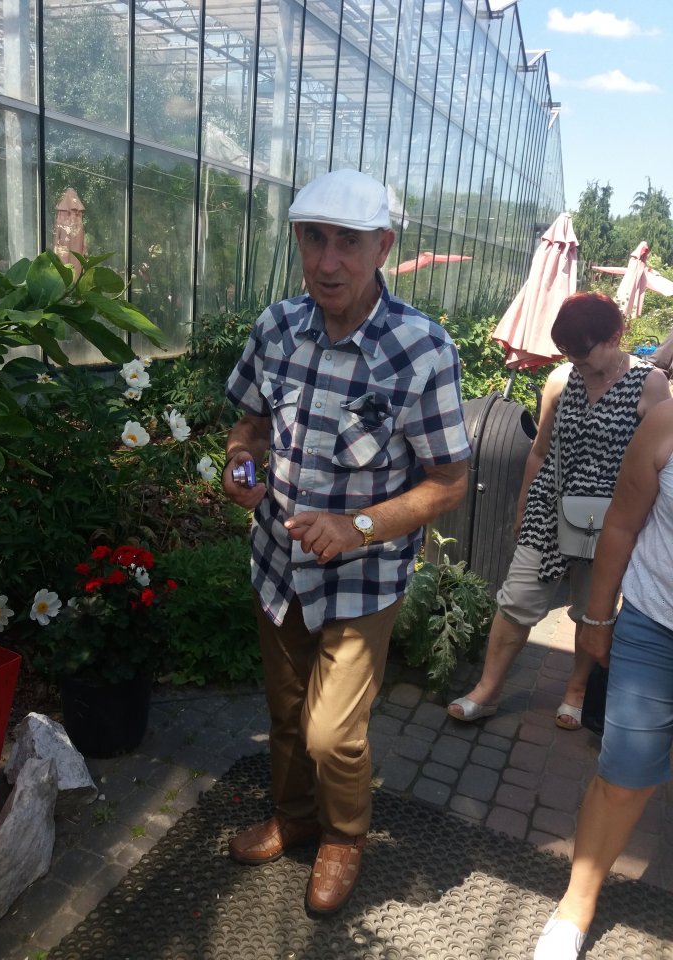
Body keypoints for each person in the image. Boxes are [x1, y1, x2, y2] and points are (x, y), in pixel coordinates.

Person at [222, 168, 471, 914]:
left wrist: (357, 526)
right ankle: (295, 816)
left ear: (383, 247)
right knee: (286, 711)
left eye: (348, 243)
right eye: (314, 239)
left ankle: (344, 836)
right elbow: (249, 425)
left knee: (333, 732)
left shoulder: (421, 349)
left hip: (363, 580)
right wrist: (239, 466)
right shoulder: (276, 328)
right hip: (278, 563)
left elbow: (449, 481)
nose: (328, 262)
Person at [448, 291, 670, 729]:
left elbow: (654, 463)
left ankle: (576, 692)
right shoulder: (561, 379)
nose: (575, 361)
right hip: (550, 509)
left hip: (611, 521)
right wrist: (523, 505)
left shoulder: (650, 384)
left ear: (615, 336)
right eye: (567, 352)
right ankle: (487, 691)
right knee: (516, 601)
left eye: (583, 352)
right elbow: (540, 450)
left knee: (591, 610)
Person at [533, 397, 673, 959]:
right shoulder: (666, 421)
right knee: (623, 775)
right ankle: (577, 904)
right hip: (656, 625)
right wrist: (596, 618)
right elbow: (621, 520)